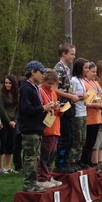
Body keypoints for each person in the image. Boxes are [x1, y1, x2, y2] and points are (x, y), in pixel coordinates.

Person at [17, 61, 60, 193]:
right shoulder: (26, 88)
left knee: (35, 157)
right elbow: (26, 109)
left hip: (36, 127)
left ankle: (34, 182)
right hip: (29, 128)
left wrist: (46, 109)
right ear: (33, 72)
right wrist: (43, 108)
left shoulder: (33, 87)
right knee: (31, 158)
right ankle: (29, 184)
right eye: (41, 72)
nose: (42, 75)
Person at [53, 42, 80, 170]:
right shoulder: (58, 69)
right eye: (72, 54)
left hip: (69, 105)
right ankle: (60, 164)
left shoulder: (67, 69)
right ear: (64, 54)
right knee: (65, 136)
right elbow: (54, 89)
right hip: (62, 107)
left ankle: (66, 162)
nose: (74, 57)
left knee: (71, 136)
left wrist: (74, 95)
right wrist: (70, 96)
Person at [0, 74, 20, 174]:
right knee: (2, 143)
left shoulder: (17, 95)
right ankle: (0, 167)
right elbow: (1, 109)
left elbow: (18, 109)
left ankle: (8, 166)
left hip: (13, 122)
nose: (7, 85)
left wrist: (14, 120)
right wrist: (8, 121)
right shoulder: (1, 95)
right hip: (4, 121)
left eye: (10, 83)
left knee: (11, 144)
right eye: (6, 83)